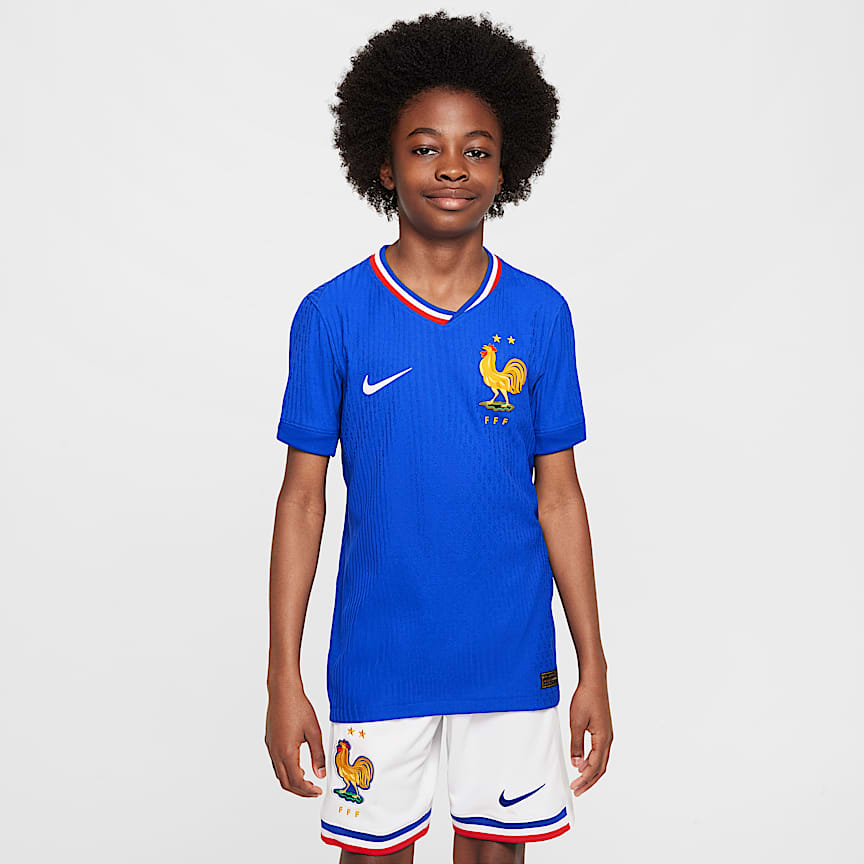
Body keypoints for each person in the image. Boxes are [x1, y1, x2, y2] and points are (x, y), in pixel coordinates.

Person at [265, 11, 612, 863]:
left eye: (477, 149)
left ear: (506, 167)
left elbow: (560, 497)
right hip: (379, 656)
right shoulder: (332, 315)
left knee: (498, 854)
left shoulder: (541, 313)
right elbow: (302, 500)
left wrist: (593, 664)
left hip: (511, 653)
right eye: (425, 148)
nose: (453, 167)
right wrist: (282, 675)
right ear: (384, 164)